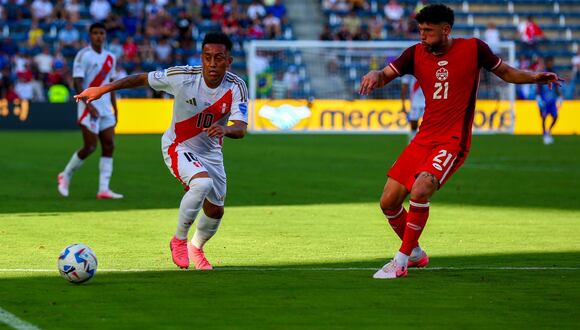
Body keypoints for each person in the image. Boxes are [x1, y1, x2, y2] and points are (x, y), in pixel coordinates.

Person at [359, 4, 562, 280]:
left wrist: (534, 77)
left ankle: (401, 260)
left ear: (446, 29)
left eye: (428, 31)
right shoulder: (414, 54)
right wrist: (375, 75)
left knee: (421, 190)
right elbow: (384, 75)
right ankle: (416, 252)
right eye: (420, 30)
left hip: (452, 140)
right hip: (423, 138)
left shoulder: (474, 49)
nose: (423, 36)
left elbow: (506, 73)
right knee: (388, 202)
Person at [73, 31, 248, 270]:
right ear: (201, 57)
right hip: (178, 145)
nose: (212, 64)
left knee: (215, 210)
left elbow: (240, 127)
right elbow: (140, 79)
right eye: (207, 57)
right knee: (202, 183)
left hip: (211, 152)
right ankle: (178, 239)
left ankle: (195, 247)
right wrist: (102, 90)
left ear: (229, 61)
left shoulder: (237, 86)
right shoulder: (182, 76)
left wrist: (226, 130)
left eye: (219, 58)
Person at [57, 22, 122, 199]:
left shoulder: (111, 57)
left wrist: (115, 109)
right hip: (88, 107)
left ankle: (103, 189)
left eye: (101, 33)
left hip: (106, 108)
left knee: (109, 145)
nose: (99, 36)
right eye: (95, 33)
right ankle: (66, 175)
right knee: (90, 146)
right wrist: (89, 105)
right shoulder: (83, 55)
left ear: (105, 36)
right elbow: (78, 82)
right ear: (90, 35)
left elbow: (112, 85)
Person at [536, 56, 562, 145]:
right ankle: (544, 134)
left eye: (552, 62)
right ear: (547, 63)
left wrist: (560, 96)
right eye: (550, 62)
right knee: (543, 117)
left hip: (552, 100)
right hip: (544, 99)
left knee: (555, 117)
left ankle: (549, 131)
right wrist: (538, 96)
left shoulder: (554, 73)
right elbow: (539, 85)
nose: (551, 64)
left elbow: (556, 85)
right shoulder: (544, 73)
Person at [400, 75, 425, 143]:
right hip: (415, 103)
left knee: (430, 125)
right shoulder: (409, 72)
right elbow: (404, 88)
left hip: (427, 102)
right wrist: (403, 105)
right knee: (413, 125)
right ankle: (411, 143)